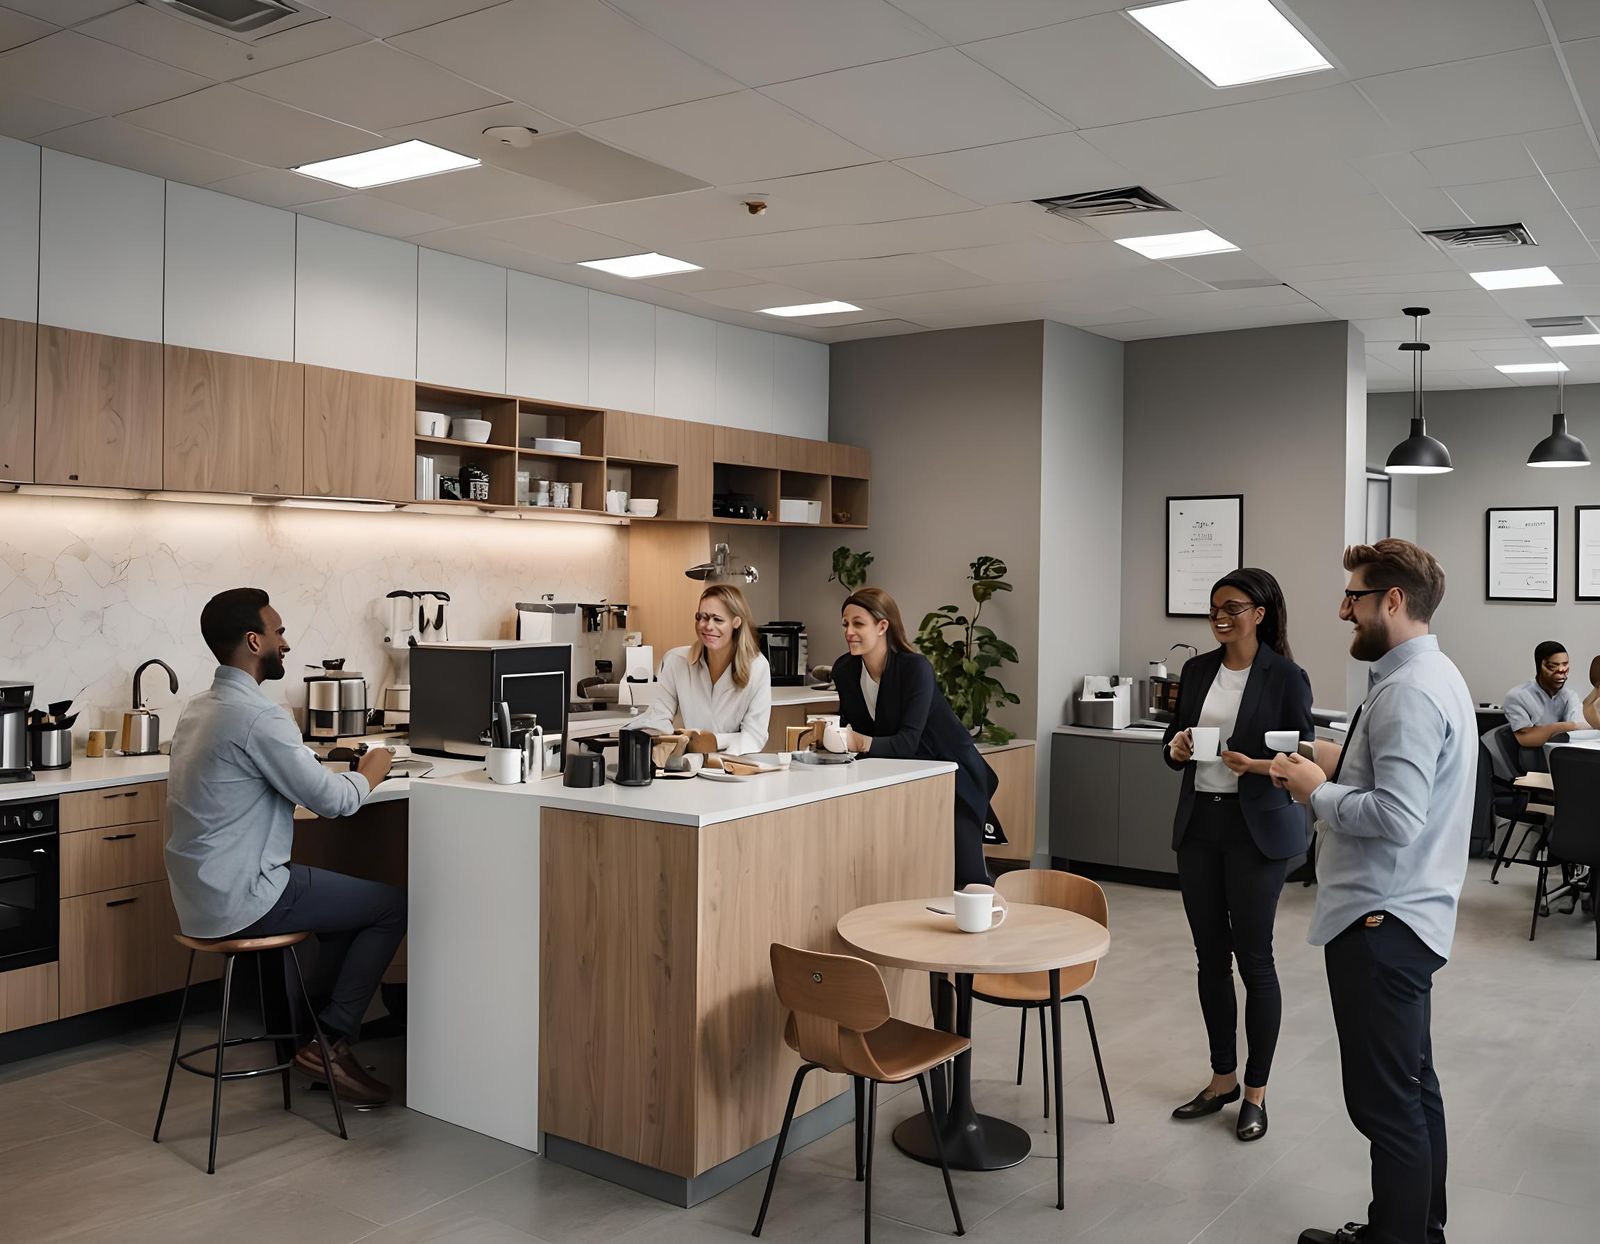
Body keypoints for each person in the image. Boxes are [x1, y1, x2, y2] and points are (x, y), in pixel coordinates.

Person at [1271, 540, 1474, 1244]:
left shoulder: (1409, 692)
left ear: (1391, 600)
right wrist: (1340, 762)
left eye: (1353, 597)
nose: (1342, 609)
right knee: (1414, 1089)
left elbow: (1396, 818)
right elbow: (1399, 789)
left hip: (1381, 922)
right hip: (1408, 915)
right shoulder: (1434, 676)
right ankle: (1417, 1230)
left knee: (1386, 1106)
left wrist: (1316, 789)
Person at [166, 588, 402, 1109]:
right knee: (390, 906)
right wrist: (374, 768)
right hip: (246, 897)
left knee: (346, 908)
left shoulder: (199, 709)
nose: (286, 644)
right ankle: (333, 1039)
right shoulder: (258, 717)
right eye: (279, 633)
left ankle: (313, 1037)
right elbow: (336, 801)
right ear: (255, 641)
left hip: (199, 896)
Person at [1162, 569, 1313, 1144]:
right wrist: (1175, 749)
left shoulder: (1286, 676)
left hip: (1258, 833)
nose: (1220, 616)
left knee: (1255, 960)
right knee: (1209, 958)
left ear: (1260, 612)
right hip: (1200, 825)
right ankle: (1221, 1078)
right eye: (1214, 607)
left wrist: (1259, 766)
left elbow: (1300, 755)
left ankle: (1256, 1093)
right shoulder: (1198, 670)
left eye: (1233, 606)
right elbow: (1176, 740)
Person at [832, 587, 999, 888]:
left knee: (968, 879)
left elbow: (907, 741)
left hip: (950, 774)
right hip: (896, 772)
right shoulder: (844, 669)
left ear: (882, 626)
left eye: (858, 623)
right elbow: (847, 727)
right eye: (845, 624)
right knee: (909, 871)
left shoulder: (915, 668)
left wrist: (859, 742)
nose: (849, 632)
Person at [631, 583, 772, 755]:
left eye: (717, 619)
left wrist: (712, 743)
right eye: (702, 617)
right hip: (686, 767)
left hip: (734, 767)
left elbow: (754, 736)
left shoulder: (757, 667)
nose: (707, 626)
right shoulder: (676, 661)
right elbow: (657, 718)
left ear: (736, 622)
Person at [1502, 640, 1600, 769]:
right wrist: (1567, 726)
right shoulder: (1517, 696)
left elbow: (1582, 729)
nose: (1561, 670)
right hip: (1537, 761)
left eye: (1565, 664)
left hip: (1567, 760)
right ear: (1539, 666)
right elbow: (1526, 739)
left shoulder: (1569, 695)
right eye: (1553, 666)